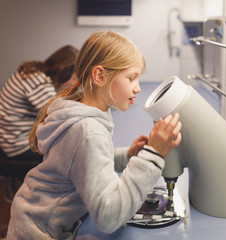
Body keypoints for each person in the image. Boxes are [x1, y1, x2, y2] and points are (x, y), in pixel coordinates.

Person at [6, 31, 182, 239]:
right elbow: (108, 217)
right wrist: (152, 156)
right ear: (99, 76)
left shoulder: (81, 110)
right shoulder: (87, 130)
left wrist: (127, 156)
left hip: (32, 219)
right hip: (38, 232)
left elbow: (83, 162)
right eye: (132, 78)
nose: (137, 88)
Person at [0, 45, 79, 163]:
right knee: (71, 153)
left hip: (9, 139)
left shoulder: (32, 71)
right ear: (65, 72)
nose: (74, 82)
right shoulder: (38, 81)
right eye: (73, 78)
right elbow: (58, 115)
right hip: (17, 145)